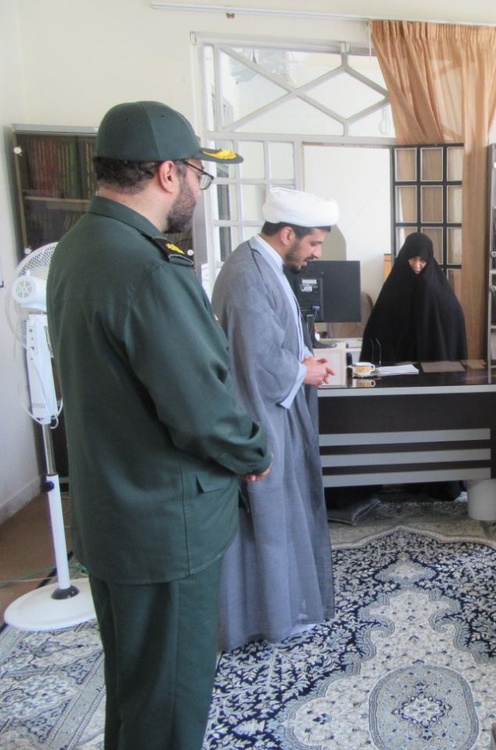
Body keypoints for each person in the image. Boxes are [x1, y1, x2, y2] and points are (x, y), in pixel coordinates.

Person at [46, 101, 272, 750]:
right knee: (169, 702)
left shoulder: (79, 248)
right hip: (163, 524)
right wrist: (253, 451)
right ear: (169, 173)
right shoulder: (147, 268)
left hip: (112, 511)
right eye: (199, 174)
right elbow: (201, 408)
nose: (199, 190)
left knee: (137, 687)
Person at [211, 187, 339, 650]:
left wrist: (305, 360)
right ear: (287, 234)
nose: (316, 253)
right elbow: (258, 356)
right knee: (265, 516)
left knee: (283, 513)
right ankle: (266, 617)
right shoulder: (247, 274)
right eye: (313, 243)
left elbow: (279, 336)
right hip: (259, 414)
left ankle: (284, 608)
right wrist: (302, 371)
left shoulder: (264, 265)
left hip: (273, 409)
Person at [361, 231, 468, 364]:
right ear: (405, 257)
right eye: (412, 258)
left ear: (429, 259)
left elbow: (454, 322)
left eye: (422, 259)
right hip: (398, 368)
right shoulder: (393, 290)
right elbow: (377, 330)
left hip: (434, 368)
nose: (417, 265)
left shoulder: (438, 292)